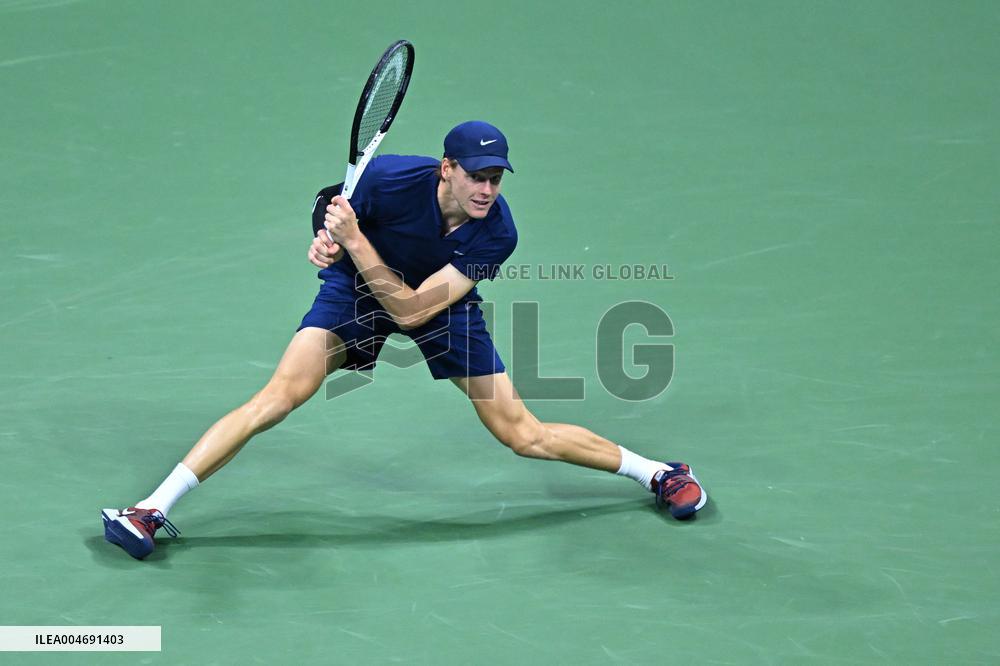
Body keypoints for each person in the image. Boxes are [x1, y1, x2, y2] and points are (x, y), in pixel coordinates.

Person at [101, 121, 707, 560]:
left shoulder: (498, 233)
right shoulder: (390, 178)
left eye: (496, 179)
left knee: (524, 435)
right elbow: (330, 203)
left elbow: (415, 311)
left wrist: (356, 243)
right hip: (354, 293)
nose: (487, 191)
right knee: (278, 397)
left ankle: (656, 473)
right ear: (447, 168)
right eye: (477, 176)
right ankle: (150, 510)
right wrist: (326, 238)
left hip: (438, 308)